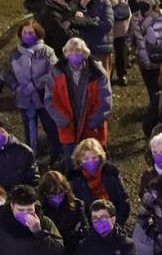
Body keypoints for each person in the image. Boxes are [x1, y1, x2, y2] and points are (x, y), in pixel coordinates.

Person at [46, 38, 112, 166]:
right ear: (65, 53)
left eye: (78, 50)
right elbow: (50, 100)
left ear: (85, 53)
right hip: (68, 127)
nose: (74, 53)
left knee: (97, 162)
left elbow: (105, 100)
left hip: (92, 128)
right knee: (71, 164)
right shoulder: (56, 72)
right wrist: (63, 120)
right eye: (70, 50)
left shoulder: (97, 71)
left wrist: (93, 123)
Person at [4, 19, 59, 162]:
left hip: (44, 98)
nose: (28, 35)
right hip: (24, 99)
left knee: (51, 128)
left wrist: (33, 85)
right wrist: (16, 86)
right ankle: (31, 159)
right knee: (29, 131)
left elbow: (52, 73)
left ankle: (56, 156)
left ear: (37, 33)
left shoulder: (47, 52)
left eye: (31, 32)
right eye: (25, 32)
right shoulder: (15, 53)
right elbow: (8, 73)